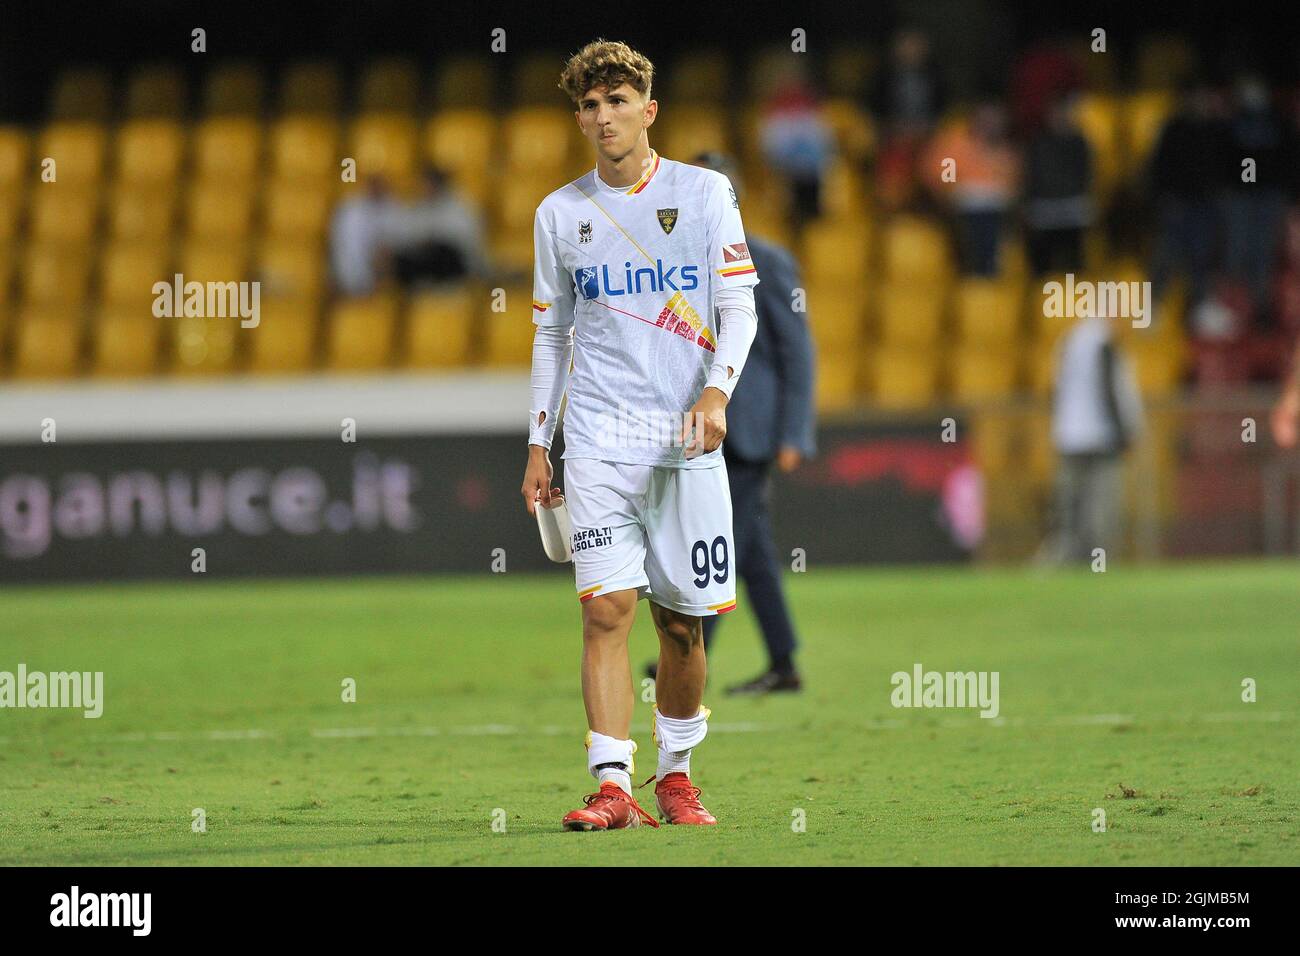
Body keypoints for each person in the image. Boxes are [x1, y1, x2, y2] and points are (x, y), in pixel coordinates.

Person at [520, 40, 759, 831]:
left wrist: (718, 392)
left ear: (648, 111)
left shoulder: (704, 193)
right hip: (595, 441)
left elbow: (740, 308)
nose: (602, 117)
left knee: (681, 626)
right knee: (605, 612)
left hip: (687, 442)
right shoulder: (559, 214)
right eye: (589, 106)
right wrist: (538, 443)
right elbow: (551, 336)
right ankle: (613, 786)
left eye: (617, 101)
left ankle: (677, 777)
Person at [643, 152, 815, 695]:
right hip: (704, 426)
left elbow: (797, 352)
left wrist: (793, 432)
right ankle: (784, 662)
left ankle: (689, 653)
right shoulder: (676, 263)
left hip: (752, 428)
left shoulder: (766, 260)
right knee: (752, 548)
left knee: (723, 543)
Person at [1041, 309, 1144, 564]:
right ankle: (1098, 563)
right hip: (1100, 439)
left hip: (1068, 438)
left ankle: (1065, 562)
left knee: (1070, 510)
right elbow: (1108, 391)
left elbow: (1055, 388)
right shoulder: (1103, 344)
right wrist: (1123, 432)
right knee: (1101, 508)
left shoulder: (1068, 341)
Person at [382, 165, 490, 287]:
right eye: (423, 184)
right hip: (423, 265)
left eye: (429, 184)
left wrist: (434, 239)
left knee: (442, 251)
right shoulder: (417, 209)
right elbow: (405, 237)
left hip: (453, 267)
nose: (425, 188)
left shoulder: (461, 208)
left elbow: (467, 243)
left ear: (439, 184)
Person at [1023, 92, 1093, 276]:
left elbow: (1085, 175)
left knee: (1074, 262)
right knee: (1041, 264)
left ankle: (1072, 300)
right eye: (1055, 113)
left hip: (1073, 207)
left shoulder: (1080, 142)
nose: (1060, 118)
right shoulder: (1038, 142)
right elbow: (1033, 176)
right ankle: (1041, 299)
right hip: (1045, 208)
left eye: (1063, 113)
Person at [328, 175, 396, 296]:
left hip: (381, 282)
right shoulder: (351, 211)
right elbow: (341, 247)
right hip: (351, 275)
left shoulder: (394, 209)